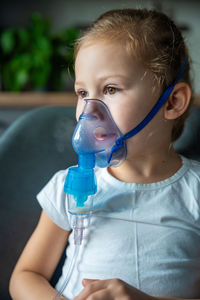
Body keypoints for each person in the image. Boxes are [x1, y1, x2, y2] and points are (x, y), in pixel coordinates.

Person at [9, 8, 200, 300]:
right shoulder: (69, 189)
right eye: (83, 93)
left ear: (173, 102)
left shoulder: (195, 192)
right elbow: (26, 276)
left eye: (111, 88)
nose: (90, 111)